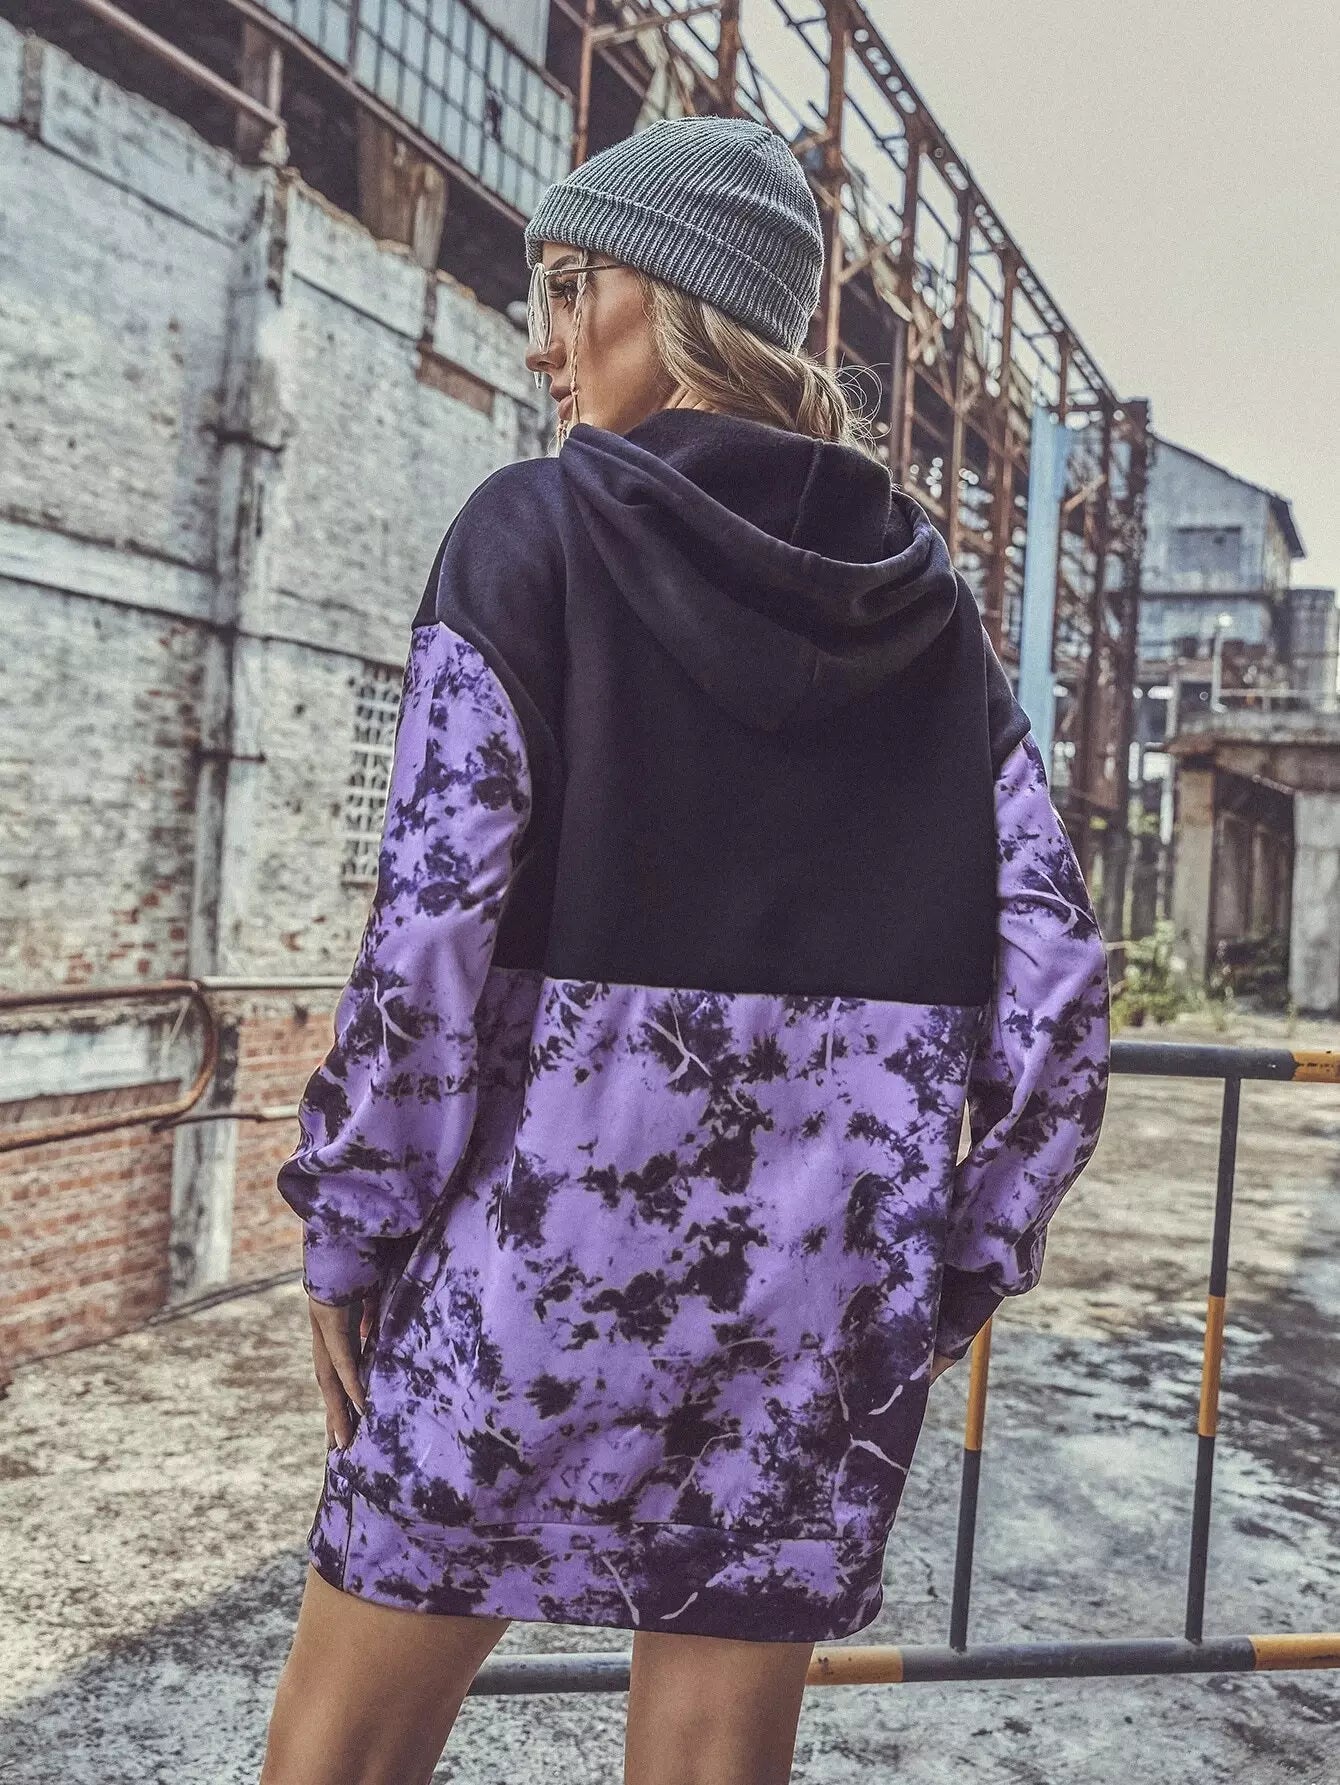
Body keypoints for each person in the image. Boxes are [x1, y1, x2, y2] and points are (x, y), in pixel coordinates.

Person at [260, 114, 1110, 1785]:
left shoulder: (528, 536)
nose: (546, 336)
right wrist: (953, 1262)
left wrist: (351, 1227)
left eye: (570, 284)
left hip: (525, 1290)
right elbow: (1065, 999)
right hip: (811, 1324)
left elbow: (427, 944)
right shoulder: (932, 616)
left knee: (338, 1756)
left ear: (675, 294)